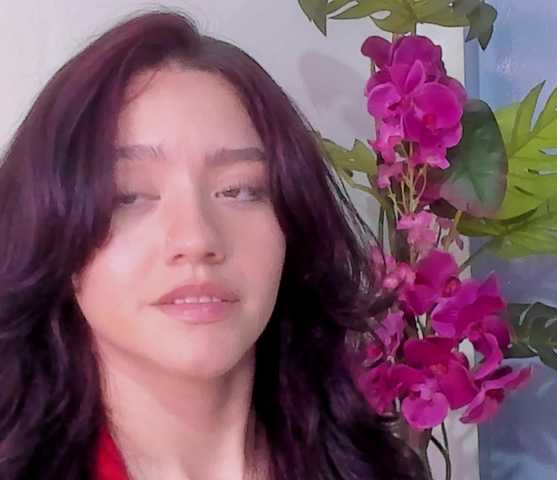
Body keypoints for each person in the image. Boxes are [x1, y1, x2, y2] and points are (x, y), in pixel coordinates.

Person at [0, 10, 426, 480]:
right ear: (51, 225)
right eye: (129, 195)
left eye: (239, 190)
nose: (197, 239)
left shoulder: (376, 468)